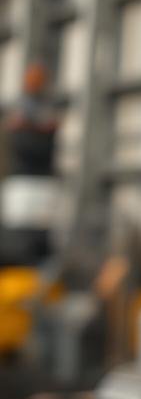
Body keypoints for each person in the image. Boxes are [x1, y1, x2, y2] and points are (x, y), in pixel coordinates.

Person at [0, 62, 59, 267]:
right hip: (21, 181)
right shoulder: (19, 110)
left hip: (41, 182)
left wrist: (37, 127)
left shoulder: (47, 109)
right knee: (17, 234)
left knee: (40, 233)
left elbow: (49, 132)